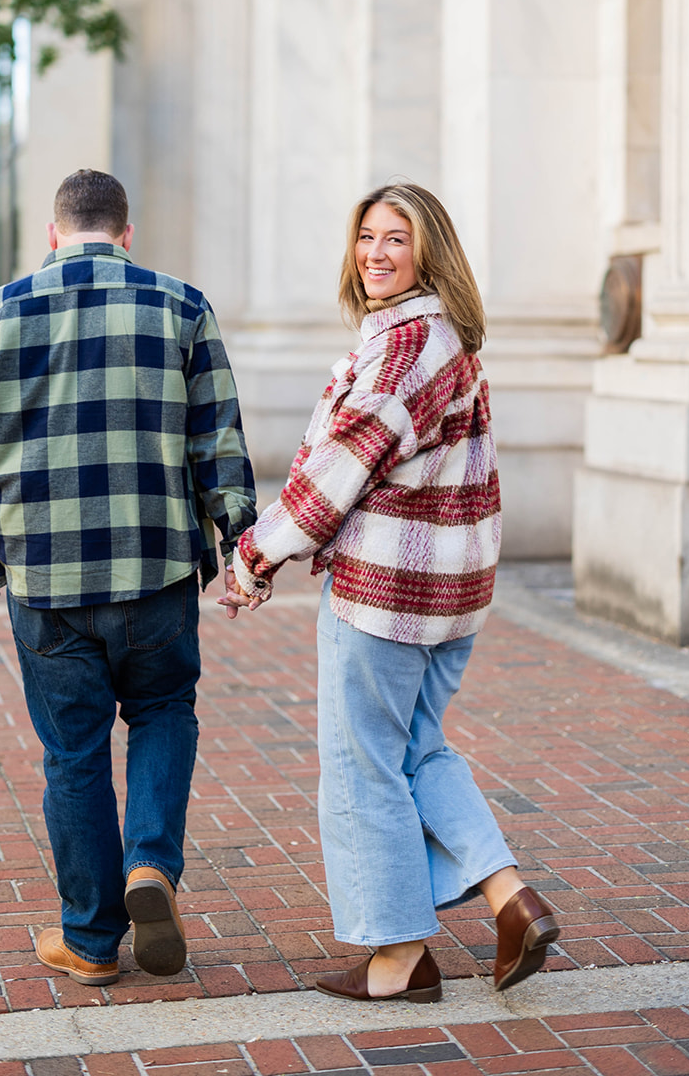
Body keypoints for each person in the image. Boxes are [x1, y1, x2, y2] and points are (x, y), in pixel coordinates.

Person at [219, 182, 560, 1003]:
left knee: (360, 764)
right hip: (447, 590)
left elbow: (341, 466)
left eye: (394, 239)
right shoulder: (442, 338)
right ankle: (509, 898)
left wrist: (256, 553)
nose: (375, 253)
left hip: (389, 594)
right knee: (416, 751)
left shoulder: (411, 342)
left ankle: (397, 958)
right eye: (366, 236)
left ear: (426, 251)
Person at [0, 169, 256, 987]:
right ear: (126, 233)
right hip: (153, 570)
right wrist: (240, 541)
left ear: (53, 235)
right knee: (160, 711)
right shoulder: (182, 306)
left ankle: (88, 940)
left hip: (45, 577)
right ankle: (149, 865)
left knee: (73, 754)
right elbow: (217, 437)